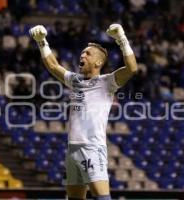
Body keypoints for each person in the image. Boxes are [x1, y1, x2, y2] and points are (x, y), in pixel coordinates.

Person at [29, 24, 138, 199]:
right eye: (82, 52)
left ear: (98, 62)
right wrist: (42, 42)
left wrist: (122, 39)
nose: (83, 55)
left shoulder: (107, 82)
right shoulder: (75, 80)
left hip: (92, 147)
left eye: (88, 53)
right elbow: (54, 66)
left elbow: (132, 69)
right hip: (72, 148)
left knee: (102, 197)